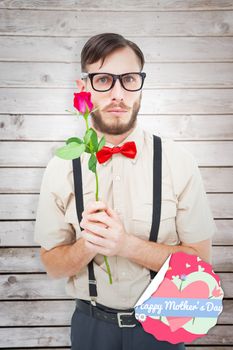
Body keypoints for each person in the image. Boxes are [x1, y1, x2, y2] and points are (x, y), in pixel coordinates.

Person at [34, 33, 217, 350]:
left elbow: (199, 262)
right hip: (90, 328)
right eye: (103, 79)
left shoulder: (179, 162)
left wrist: (125, 245)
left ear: (141, 88)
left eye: (129, 79)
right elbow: (52, 264)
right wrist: (86, 246)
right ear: (84, 87)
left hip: (163, 326)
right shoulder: (60, 167)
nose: (117, 93)